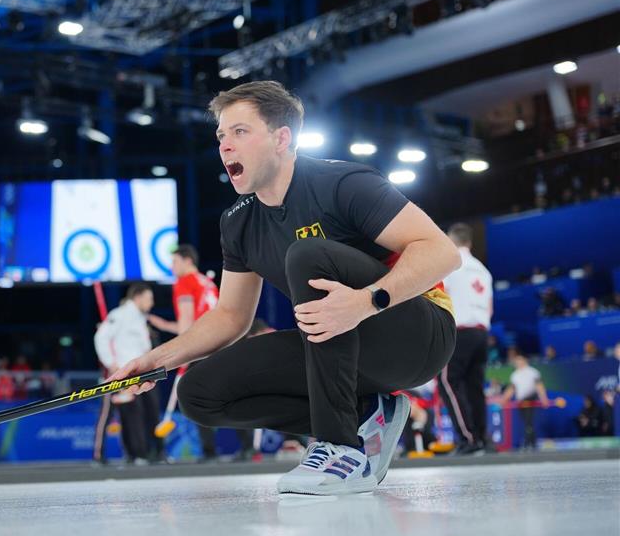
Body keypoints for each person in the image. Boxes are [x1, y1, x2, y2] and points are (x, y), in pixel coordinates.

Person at [105, 80, 459, 495]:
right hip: (341, 348)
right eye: (221, 135)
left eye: (240, 132)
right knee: (199, 393)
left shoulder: (342, 183)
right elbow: (231, 316)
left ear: (281, 138)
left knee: (306, 255)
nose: (225, 146)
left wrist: (366, 301)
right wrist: (155, 359)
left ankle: (340, 449)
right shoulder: (238, 223)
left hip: (417, 334)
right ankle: (367, 415)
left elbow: (441, 252)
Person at [148, 244, 253, 461]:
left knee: (194, 397)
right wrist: (166, 325)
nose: (172, 267)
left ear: (188, 261)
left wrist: (183, 352)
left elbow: (187, 323)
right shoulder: (207, 282)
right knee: (231, 395)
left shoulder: (184, 283)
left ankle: (209, 451)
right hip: (224, 343)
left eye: (175, 262)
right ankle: (247, 447)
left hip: (201, 346)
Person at [94, 284, 163, 464]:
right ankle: (132, 454)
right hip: (123, 374)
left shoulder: (141, 319)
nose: (151, 303)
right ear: (138, 297)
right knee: (127, 414)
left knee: (146, 413)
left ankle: (148, 453)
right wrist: (111, 363)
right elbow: (101, 338)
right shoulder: (119, 314)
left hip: (142, 373)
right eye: (149, 298)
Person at [439, 223, 493, 455]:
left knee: (447, 381)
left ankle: (467, 438)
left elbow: (440, 294)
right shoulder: (483, 270)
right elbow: (490, 307)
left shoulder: (451, 264)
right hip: (482, 331)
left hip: (460, 330)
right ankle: (482, 438)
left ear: (451, 241)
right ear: (469, 242)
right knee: (475, 386)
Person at [501, 352, 549, 450]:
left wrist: (544, 398)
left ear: (524, 360)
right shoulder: (515, 375)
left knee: (528, 422)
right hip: (521, 402)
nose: (517, 362)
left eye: (519, 359)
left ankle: (529, 443)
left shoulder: (533, 372)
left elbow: (539, 386)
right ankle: (531, 442)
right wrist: (503, 400)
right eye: (516, 360)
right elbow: (511, 389)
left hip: (530, 399)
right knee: (527, 423)